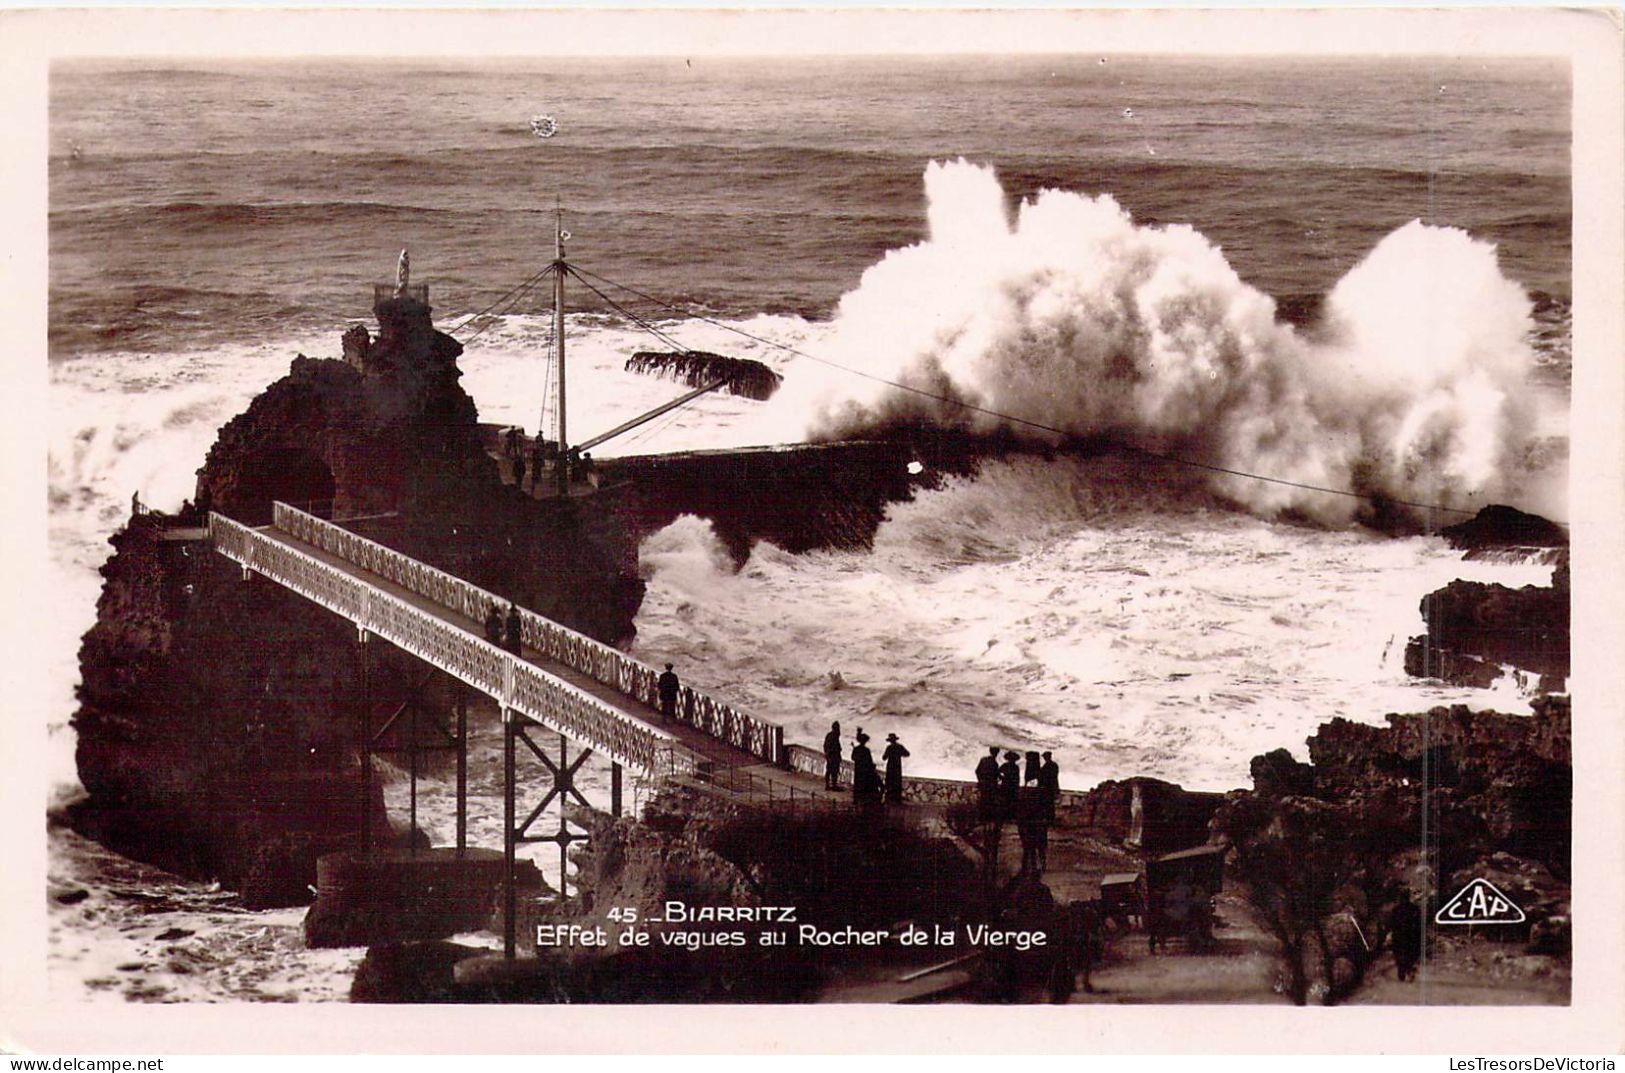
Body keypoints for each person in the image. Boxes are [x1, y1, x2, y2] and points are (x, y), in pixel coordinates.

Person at [851, 731, 881, 809]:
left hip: (858, 769)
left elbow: (853, 758)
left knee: (857, 783)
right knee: (862, 784)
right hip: (864, 770)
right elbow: (869, 761)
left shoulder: (857, 749)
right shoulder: (866, 750)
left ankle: (856, 799)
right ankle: (862, 799)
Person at [882, 733, 910, 804]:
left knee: (890, 782)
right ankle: (897, 799)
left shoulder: (889, 748)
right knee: (897, 782)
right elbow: (907, 754)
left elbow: (884, 758)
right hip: (897, 767)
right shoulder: (899, 747)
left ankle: (889, 799)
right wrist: (900, 754)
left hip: (890, 767)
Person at [974, 746, 1001, 822]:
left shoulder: (983, 760)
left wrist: (980, 780)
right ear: (997, 753)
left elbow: (977, 771)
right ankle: (987, 818)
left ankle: (982, 818)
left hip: (983, 785)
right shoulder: (995, 763)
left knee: (983, 801)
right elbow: (996, 775)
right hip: (991, 786)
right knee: (989, 802)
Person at [998, 750, 1021, 821]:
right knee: (1011, 801)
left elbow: (998, 772)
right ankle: (1010, 816)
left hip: (1006, 785)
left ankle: (1005, 816)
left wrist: (1002, 778)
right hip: (1012, 786)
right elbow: (1017, 778)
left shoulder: (1005, 765)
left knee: (1005, 801)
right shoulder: (1016, 767)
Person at [1038, 751, 1061, 823]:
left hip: (1048, 787)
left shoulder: (1047, 766)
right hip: (1052, 786)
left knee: (1048, 803)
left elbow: (1043, 777)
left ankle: (1049, 818)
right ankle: (1050, 818)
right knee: (1050, 803)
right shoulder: (1054, 765)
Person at [822, 721, 844, 790]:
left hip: (830, 756)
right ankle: (833, 785)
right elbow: (835, 747)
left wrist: (826, 754)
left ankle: (828, 785)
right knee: (834, 771)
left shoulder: (829, 735)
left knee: (829, 770)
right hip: (833, 756)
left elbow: (825, 746)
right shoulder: (834, 736)